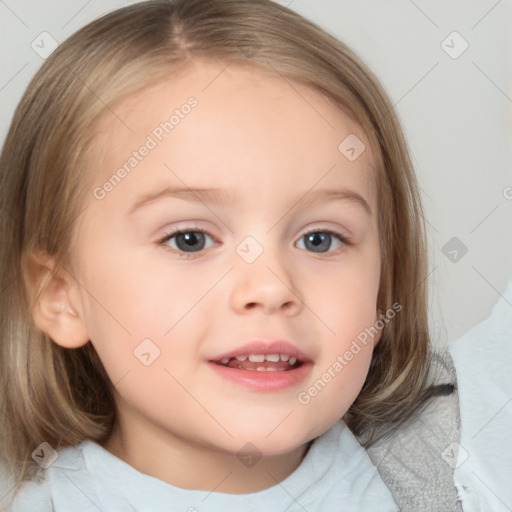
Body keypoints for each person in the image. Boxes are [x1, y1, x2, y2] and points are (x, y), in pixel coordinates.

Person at [0, 1, 509, 511]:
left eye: (320, 239)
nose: (270, 287)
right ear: (61, 294)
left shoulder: (462, 457)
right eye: (190, 239)